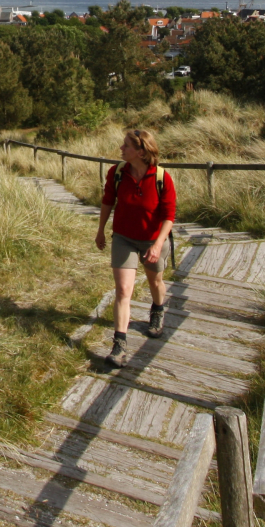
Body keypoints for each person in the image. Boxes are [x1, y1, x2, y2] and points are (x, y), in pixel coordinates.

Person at [95, 129, 177, 368]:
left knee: (155, 282)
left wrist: (158, 243)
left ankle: (158, 310)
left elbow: (169, 216)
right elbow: (108, 201)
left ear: (141, 151)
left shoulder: (162, 178)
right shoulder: (117, 173)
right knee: (123, 290)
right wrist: (100, 230)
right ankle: (119, 345)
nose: (121, 149)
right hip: (124, 238)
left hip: (153, 239)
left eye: (126, 146)